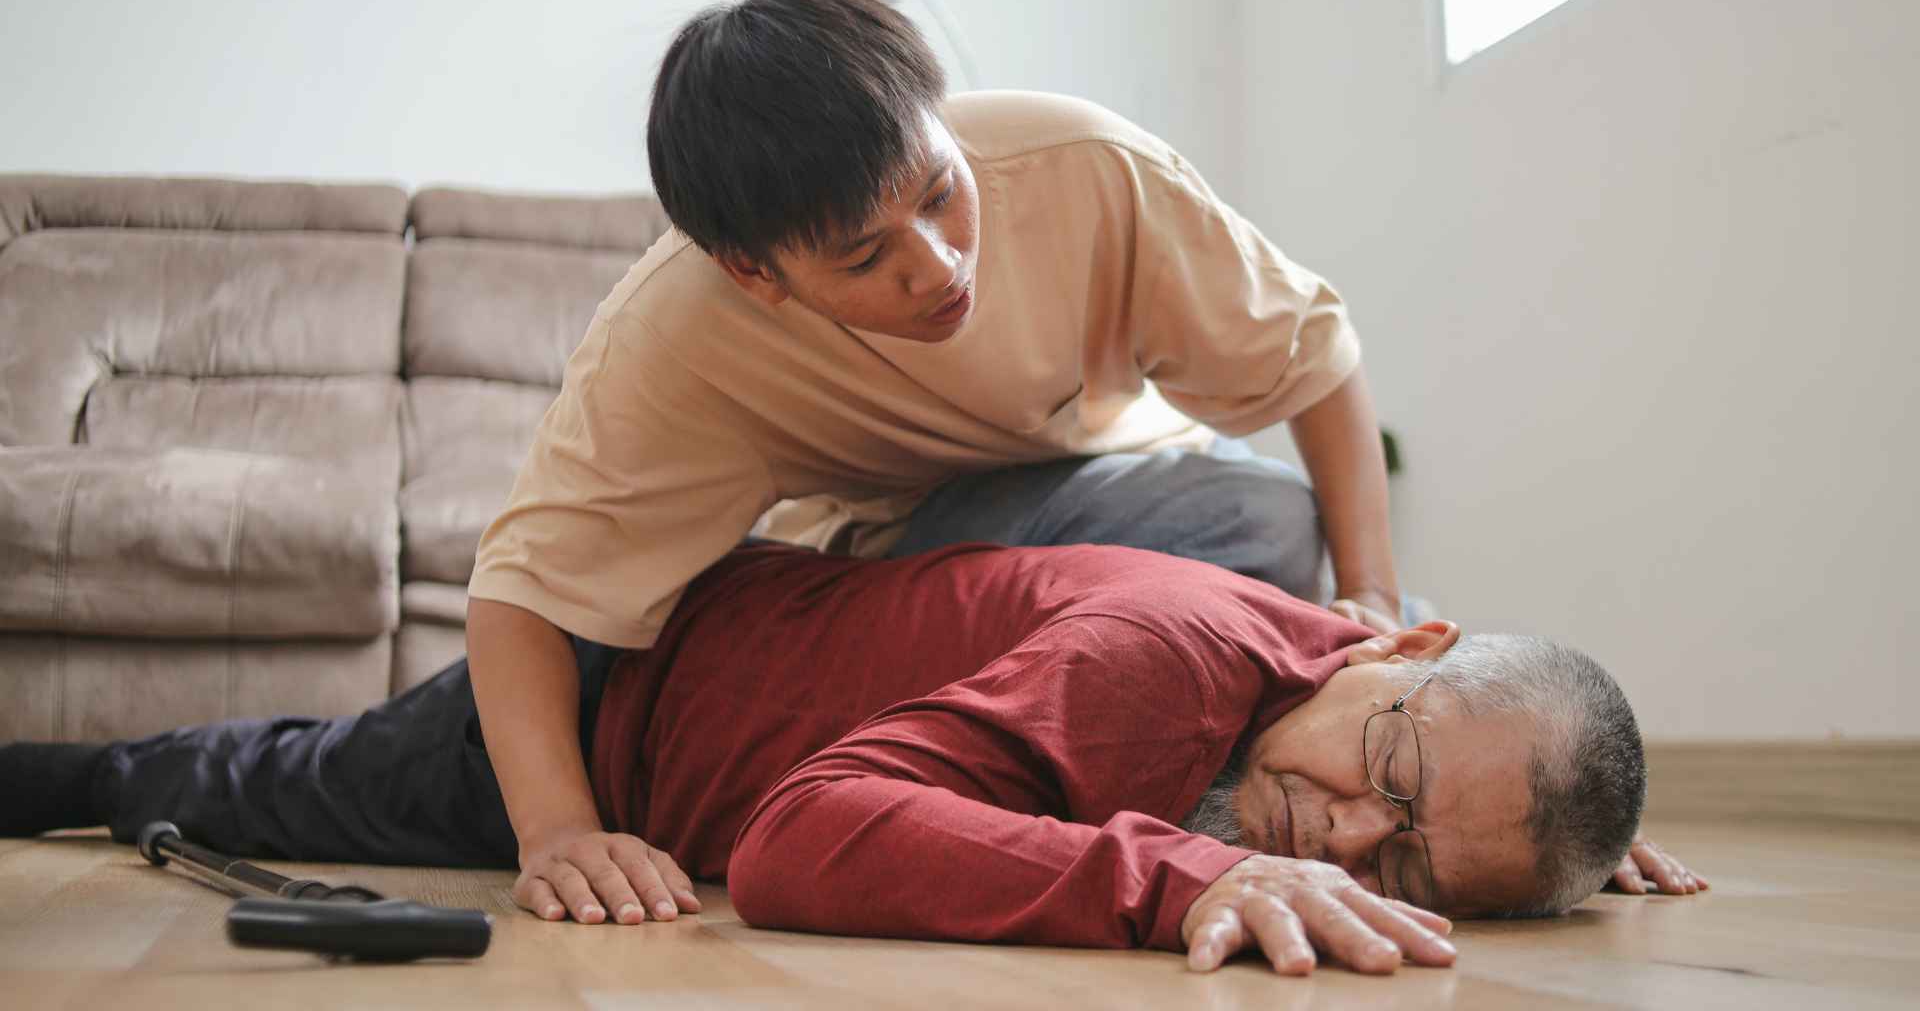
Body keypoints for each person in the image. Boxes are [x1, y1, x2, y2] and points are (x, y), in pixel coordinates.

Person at [466, 0, 1413, 933]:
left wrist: (1371, 595)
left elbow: (1311, 353)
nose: (938, 264)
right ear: (756, 274)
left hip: (1137, 509)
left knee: (1262, 523)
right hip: (901, 564)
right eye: (865, 257)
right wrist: (554, 830)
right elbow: (522, 593)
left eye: (940, 194)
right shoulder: (669, 332)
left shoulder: (1085, 163)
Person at [2, 543, 1701, 976]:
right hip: (618, 707)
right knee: (263, 783)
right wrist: (1184, 870)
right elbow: (803, 841)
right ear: (1398, 635)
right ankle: (53, 775)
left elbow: (1461, 783)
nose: (1339, 830)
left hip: (728, 661)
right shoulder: (1165, 660)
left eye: (1397, 859)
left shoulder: (1416, 729)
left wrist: (1529, 836)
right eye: (1383, 770)